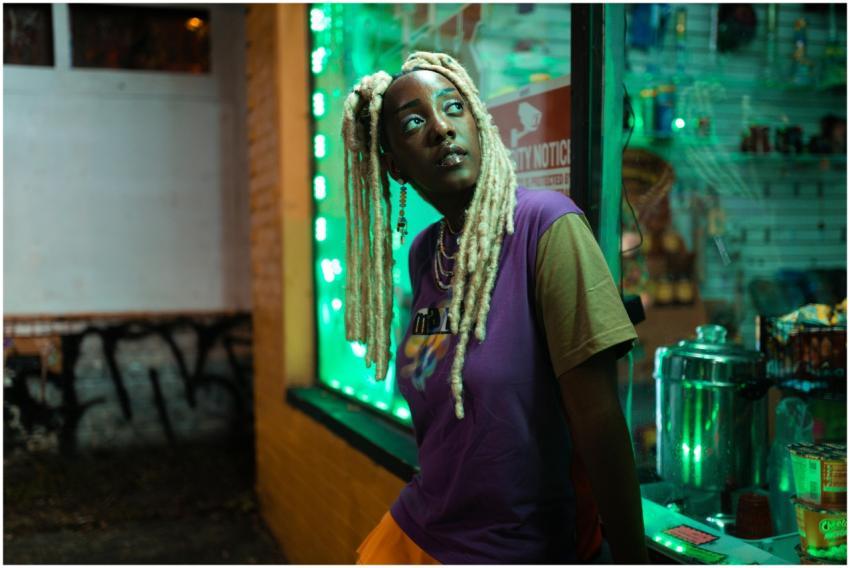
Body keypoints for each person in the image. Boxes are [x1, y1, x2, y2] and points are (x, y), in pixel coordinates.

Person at [341, 51, 647, 564]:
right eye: (415, 122)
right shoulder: (426, 253)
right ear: (394, 166)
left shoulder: (546, 225)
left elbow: (600, 422)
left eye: (453, 107)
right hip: (426, 526)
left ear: (479, 122)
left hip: (516, 547)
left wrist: (630, 559)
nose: (441, 128)